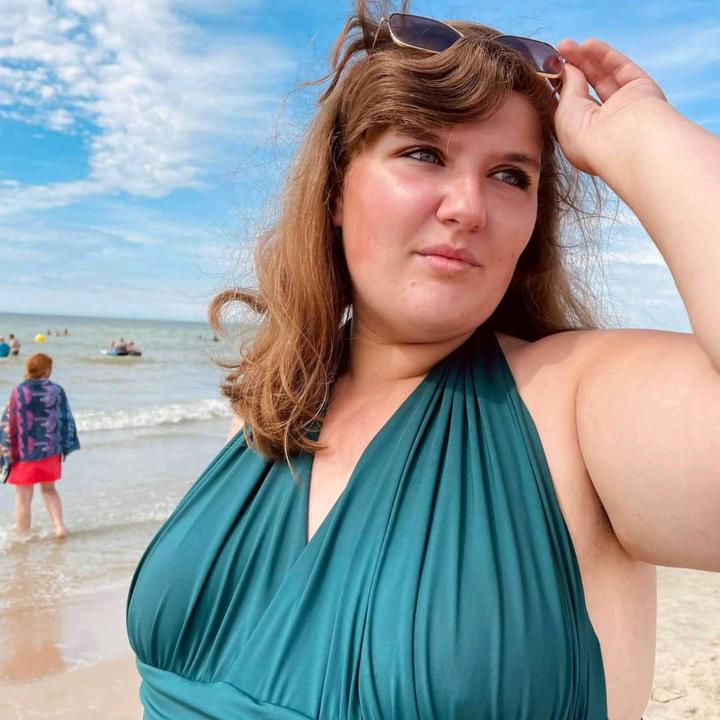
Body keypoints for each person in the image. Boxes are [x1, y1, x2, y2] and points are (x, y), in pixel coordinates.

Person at [126, 3, 720, 719]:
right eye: (424, 154)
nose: (468, 207)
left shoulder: (575, 408)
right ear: (336, 190)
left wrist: (640, 136)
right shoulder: (266, 416)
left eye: (511, 176)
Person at [0, 354, 80, 538]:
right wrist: (65, 444)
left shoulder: (19, 391)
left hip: (24, 453)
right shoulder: (57, 390)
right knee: (49, 490)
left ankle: (23, 536)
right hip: (50, 451)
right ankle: (59, 527)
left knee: (23, 496)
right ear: (46, 370)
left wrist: (4, 448)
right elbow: (65, 419)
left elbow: (8, 422)